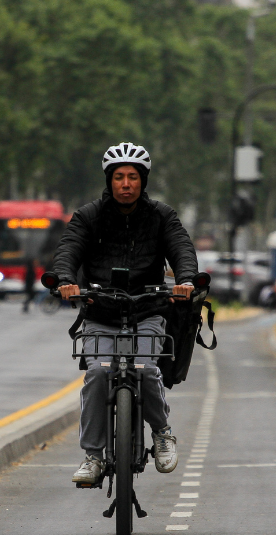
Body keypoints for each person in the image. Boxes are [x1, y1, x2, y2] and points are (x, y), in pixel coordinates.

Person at [52, 142, 198, 485]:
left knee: (146, 371)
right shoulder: (88, 216)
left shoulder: (162, 216)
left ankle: (162, 433)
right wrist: (65, 280)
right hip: (100, 313)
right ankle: (93, 456)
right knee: (97, 374)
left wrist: (186, 280)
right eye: (119, 177)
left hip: (148, 311)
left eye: (133, 177)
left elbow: (181, 249)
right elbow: (69, 249)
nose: (126, 184)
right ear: (110, 180)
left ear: (143, 181)